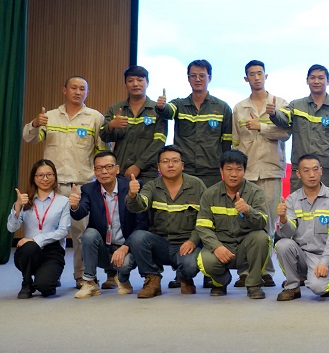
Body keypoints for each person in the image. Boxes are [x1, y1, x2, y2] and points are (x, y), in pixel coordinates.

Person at [22, 75, 107, 286]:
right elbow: (29, 138)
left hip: (81, 186)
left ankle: (83, 276)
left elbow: (102, 151)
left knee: (81, 235)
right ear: (64, 90)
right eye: (73, 88)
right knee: (52, 233)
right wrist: (35, 123)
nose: (78, 92)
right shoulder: (49, 116)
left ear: (87, 93)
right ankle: (52, 274)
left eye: (82, 89)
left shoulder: (95, 117)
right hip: (53, 187)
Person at [232, 59, 289, 287]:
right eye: (252, 74)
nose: (256, 77)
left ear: (266, 76)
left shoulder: (280, 103)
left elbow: (286, 133)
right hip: (247, 173)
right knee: (244, 222)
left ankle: (266, 271)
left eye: (260, 73)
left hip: (271, 170)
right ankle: (245, 271)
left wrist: (262, 127)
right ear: (246, 78)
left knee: (268, 222)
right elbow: (236, 142)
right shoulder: (239, 108)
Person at [125, 145, 206, 298]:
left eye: (175, 161)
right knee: (137, 238)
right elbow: (139, 206)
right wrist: (133, 195)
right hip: (160, 243)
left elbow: (205, 218)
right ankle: (152, 280)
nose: (170, 165)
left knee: (189, 265)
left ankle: (185, 278)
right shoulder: (151, 186)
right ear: (158, 166)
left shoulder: (196, 185)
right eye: (165, 161)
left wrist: (193, 241)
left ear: (182, 165)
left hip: (185, 243)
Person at [70, 151, 146, 298]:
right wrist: (75, 206)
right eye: (99, 168)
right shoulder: (89, 189)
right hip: (104, 249)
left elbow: (143, 223)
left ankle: (123, 279)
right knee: (89, 234)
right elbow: (80, 213)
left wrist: (125, 247)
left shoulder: (131, 187)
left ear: (117, 169)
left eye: (108, 167)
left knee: (125, 264)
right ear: (94, 171)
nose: (104, 171)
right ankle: (90, 282)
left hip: (126, 248)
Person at [195, 150, 271, 299]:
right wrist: (216, 247)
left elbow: (262, 222)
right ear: (221, 171)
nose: (234, 174)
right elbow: (203, 227)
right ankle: (220, 282)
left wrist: (248, 211)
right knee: (205, 260)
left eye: (238, 169)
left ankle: (254, 284)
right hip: (221, 246)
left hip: (245, 247)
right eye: (229, 169)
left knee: (261, 238)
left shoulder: (256, 192)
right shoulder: (210, 194)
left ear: (245, 171)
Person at [274, 154, 329, 301]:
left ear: (321, 171)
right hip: (301, 254)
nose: (311, 174)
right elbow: (287, 234)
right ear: (298, 174)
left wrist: (325, 262)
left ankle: (327, 276)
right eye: (306, 170)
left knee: (319, 288)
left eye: (315, 169)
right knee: (282, 244)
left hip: (321, 256)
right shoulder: (292, 199)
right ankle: (292, 286)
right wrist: (283, 218)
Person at [155, 59, 233, 189]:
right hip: (184, 170)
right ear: (188, 79)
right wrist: (162, 107)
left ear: (210, 78)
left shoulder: (222, 107)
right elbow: (169, 111)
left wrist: (225, 167)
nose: (197, 79)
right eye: (193, 76)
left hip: (212, 171)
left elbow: (227, 142)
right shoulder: (179, 104)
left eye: (202, 76)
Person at [270, 64, 329, 191]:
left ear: (328, 81)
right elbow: (284, 119)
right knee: (297, 203)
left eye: (321, 78)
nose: (316, 81)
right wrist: (274, 113)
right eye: (313, 78)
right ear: (307, 80)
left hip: (326, 170)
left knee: (328, 203)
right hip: (300, 169)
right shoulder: (296, 105)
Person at [7, 160, 71, 298]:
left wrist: (36, 239)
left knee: (45, 287)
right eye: (40, 175)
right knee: (30, 247)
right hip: (29, 251)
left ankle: (47, 277)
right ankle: (27, 282)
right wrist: (17, 206)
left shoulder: (63, 201)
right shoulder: (25, 200)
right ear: (34, 178)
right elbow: (12, 228)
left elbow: (63, 231)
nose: (45, 179)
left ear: (55, 177)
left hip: (52, 250)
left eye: (49, 175)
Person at [100, 65, 167, 183]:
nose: (135, 84)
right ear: (125, 84)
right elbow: (104, 136)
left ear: (147, 83)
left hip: (148, 173)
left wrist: (138, 166)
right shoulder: (115, 109)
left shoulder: (157, 110)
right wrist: (111, 126)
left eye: (140, 80)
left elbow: (159, 143)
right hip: (120, 171)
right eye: (130, 80)